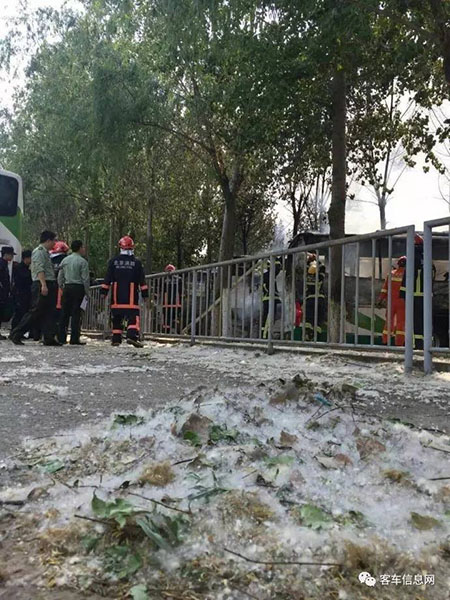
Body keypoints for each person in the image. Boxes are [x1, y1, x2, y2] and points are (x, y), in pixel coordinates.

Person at [10, 230, 61, 346]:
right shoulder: (39, 252)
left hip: (49, 283)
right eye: (54, 240)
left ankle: (49, 337)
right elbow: (39, 269)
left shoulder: (46, 253)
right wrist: (43, 285)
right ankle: (17, 333)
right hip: (42, 283)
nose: (55, 243)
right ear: (48, 240)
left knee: (49, 312)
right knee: (35, 311)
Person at [100, 236, 149, 348]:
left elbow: (107, 278)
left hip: (117, 297)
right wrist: (145, 295)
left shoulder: (113, 262)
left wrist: (104, 292)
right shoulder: (136, 263)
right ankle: (132, 336)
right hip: (131, 296)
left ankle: (116, 339)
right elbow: (142, 280)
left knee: (117, 317)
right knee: (133, 317)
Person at [58, 240, 90, 345]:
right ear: (80, 248)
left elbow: (60, 276)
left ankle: (61, 338)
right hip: (78, 288)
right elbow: (85, 279)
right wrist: (87, 292)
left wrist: (62, 286)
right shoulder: (83, 262)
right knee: (76, 314)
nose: (84, 249)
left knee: (64, 314)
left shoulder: (65, 260)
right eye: (83, 247)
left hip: (67, 287)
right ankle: (74, 339)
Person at [400, 234, 425, 349]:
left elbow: (408, 277)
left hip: (414, 294)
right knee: (423, 320)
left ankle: (415, 344)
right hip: (425, 295)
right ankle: (422, 343)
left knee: (413, 320)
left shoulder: (413, 257)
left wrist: (403, 293)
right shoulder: (426, 257)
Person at [378, 256, 406, 346]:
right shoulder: (408, 275)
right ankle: (399, 343)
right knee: (400, 323)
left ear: (398, 264)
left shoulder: (391, 274)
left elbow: (384, 289)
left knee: (389, 322)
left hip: (391, 302)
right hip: (402, 303)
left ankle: (385, 341)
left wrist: (380, 299)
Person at [304, 252, 326, 341]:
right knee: (318, 320)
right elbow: (323, 268)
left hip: (309, 300)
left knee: (309, 319)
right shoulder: (319, 277)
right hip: (319, 299)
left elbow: (306, 268)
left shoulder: (307, 276)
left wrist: (309, 260)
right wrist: (317, 259)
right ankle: (316, 337)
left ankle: (308, 334)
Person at [50, 241, 69, 339]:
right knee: (62, 314)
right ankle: (61, 336)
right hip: (62, 290)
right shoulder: (66, 260)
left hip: (49, 289)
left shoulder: (49, 259)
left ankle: (44, 335)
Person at [11, 249, 32, 333]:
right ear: (26, 258)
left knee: (24, 312)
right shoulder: (19, 268)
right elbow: (23, 278)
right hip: (20, 293)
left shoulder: (27, 268)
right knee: (19, 313)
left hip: (26, 293)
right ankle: (14, 330)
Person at [162, 264, 182, 333]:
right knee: (176, 317)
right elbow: (181, 291)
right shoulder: (179, 279)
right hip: (176, 302)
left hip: (166, 302)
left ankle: (166, 332)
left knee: (166, 318)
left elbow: (161, 290)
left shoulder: (163, 279)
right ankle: (177, 332)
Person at [0, 246, 15, 338]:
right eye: (11, 255)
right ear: (6, 255)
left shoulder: (4, 264)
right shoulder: (1, 264)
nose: (12, 257)